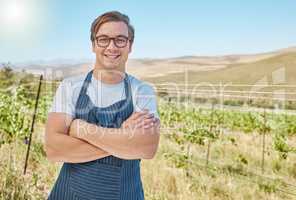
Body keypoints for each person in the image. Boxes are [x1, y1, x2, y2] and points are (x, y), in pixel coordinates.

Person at [45, 11, 161, 200]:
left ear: (130, 45)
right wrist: (124, 139)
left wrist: (81, 128)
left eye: (120, 39)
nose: (112, 46)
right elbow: (53, 149)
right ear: (93, 44)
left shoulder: (142, 91)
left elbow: (147, 148)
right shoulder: (70, 86)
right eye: (103, 39)